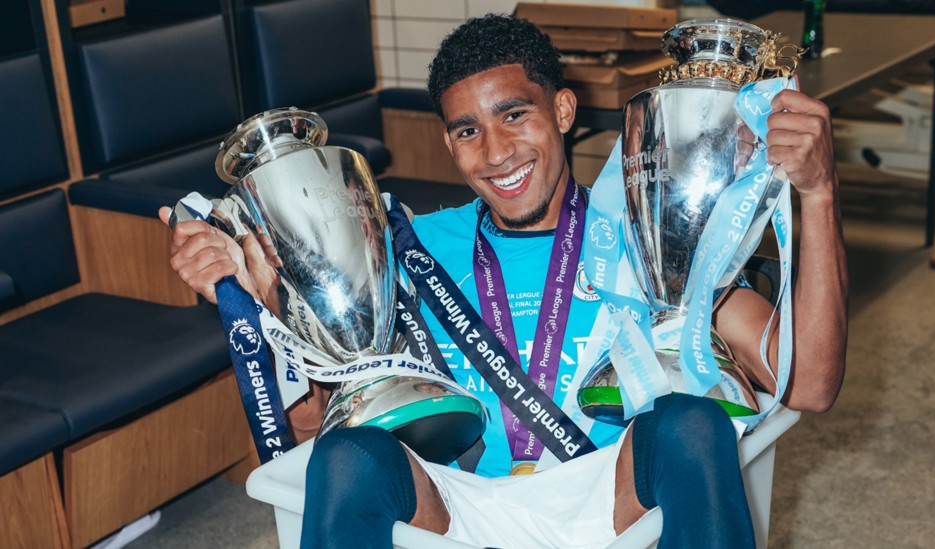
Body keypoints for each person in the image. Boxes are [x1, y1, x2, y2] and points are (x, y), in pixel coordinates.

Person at [160, 14, 847, 549]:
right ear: (448, 141)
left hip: (611, 497)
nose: (495, 153)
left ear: (563, 112)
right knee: (345, 457)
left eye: (515, 115)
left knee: (692, 424)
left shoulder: (645, 233)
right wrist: (257, 307)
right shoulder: (407, 252)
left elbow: (810, 384)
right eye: (467, 131)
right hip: (455, 506)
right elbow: (310, 426)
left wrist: (818, 194)